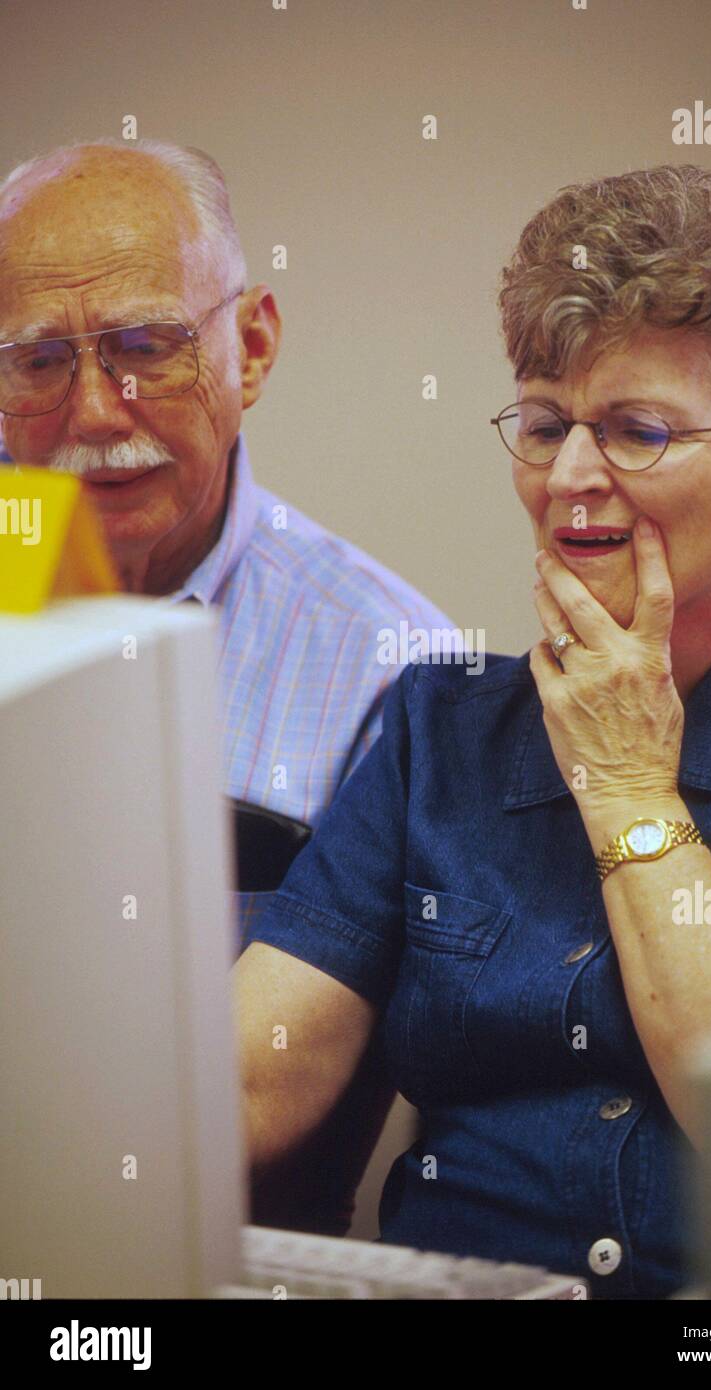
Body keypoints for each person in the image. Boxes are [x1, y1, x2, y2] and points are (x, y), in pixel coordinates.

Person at [234, 164, 711, 1298]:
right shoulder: (442, 728)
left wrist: (628, 790)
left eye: (635, 431)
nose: (571, 478)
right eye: (544, 424)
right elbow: (247, 1088)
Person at [0, 137, 452, 1233]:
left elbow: (278, 1092)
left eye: (146, 346)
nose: (96, 413)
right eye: (36, 361)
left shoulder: (393, 667)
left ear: (249, 347)